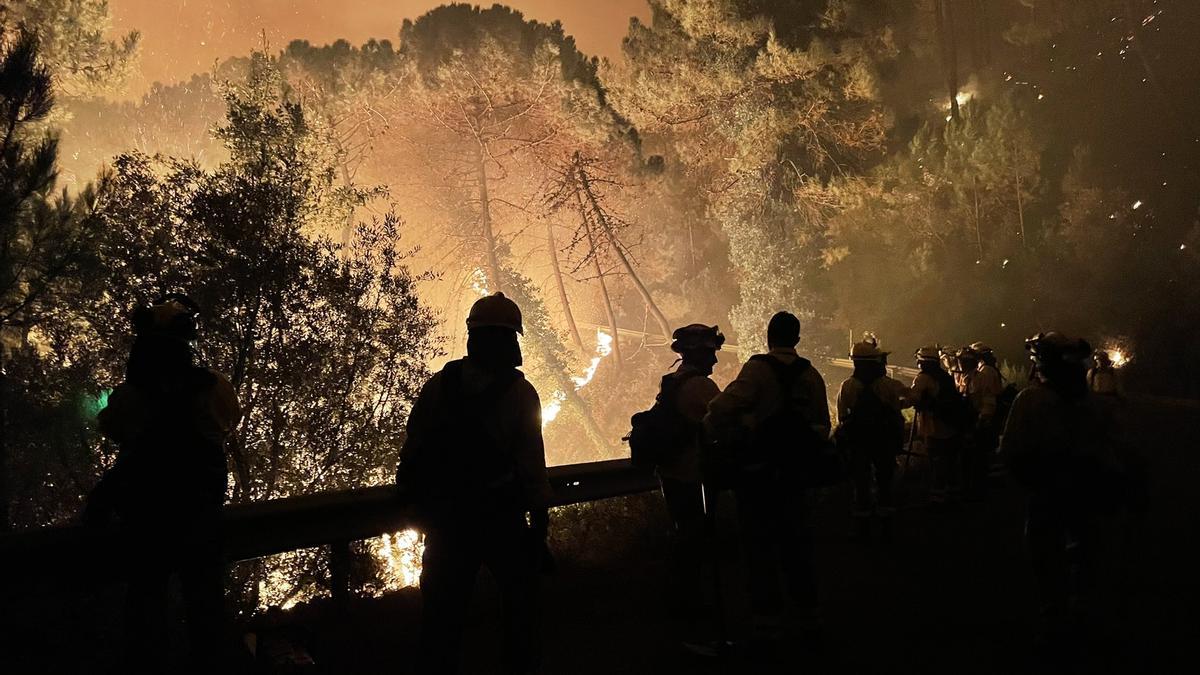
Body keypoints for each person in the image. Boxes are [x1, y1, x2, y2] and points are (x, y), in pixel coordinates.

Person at [84, 294, 242, 673]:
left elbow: (112, 428)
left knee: (146, 613)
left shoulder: (129, 397)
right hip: (200, 519)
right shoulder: (214, 389)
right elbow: (229, 420)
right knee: (206, 611)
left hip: (147, 522)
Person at [396, 292, 552, 675]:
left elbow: (413, 449)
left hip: (446, 519)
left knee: (441, 617)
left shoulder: (439, 385)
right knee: (520, 608)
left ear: (472, 335)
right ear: (511, 338)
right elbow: (531, 464)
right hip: (500, 517)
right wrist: (539, 526)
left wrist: (416, 504)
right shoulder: (520, 393)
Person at [1000, 333, 1141, 646]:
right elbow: (1120, 451)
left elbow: (1010, 450)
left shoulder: (1030, 401)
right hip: (1087, 492)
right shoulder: (1097, 405)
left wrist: (1030, 480)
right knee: (1085, 551)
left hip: (1047, 493)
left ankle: (1055, 620)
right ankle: (1082, 612)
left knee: (1045, 555)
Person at [705, 311, 830, 645]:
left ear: (768, 337)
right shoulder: (811, 375)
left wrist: (735, 429)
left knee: (759, 549)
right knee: (797, 547)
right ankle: (809, 620)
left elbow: (719, 408)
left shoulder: (757, 370)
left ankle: (767, 625)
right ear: (797, 339)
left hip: (757, 477)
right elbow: (822, 426)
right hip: (796, 478)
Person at [646, 323, 724, 647]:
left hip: (671, 473)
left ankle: (681, 601)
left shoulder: (674, 381)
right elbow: (724, 422)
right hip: (690, 475)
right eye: (710, 353)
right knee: (694, 540)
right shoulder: (701, 387)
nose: (714, 360)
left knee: (685, 537)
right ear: (698, 354)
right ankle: (690, 608)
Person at [834, 340, 910, 539]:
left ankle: (863, 527)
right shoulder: (889, 385)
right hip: (884, 441)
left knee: (861, 482)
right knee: (884, 481)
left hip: (858, 442)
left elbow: (842, 416)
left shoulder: (847, 386)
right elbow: (908, 400)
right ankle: (886, 526)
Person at [911, 346, 968, 506]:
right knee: (950, 460)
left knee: (937, 462)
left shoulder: (923, 378)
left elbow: (913, 398)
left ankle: (938, 498)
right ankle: (953, 494)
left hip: (934, 426)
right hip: (951, 424)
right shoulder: (945, 376)